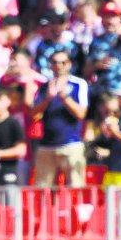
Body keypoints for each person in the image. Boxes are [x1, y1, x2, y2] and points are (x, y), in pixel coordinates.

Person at [32, 50, 89, 187]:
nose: (59, 66)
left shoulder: (78, 84)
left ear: (69, 64)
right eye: (55, 62)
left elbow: (81, 114)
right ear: (50, 65)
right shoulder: (45, 86)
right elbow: (34, 113)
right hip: (47, 144)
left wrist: (64, 97)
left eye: (63, 62)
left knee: (75, 187)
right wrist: (47, 99)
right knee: (42, 189)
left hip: (71, 143)